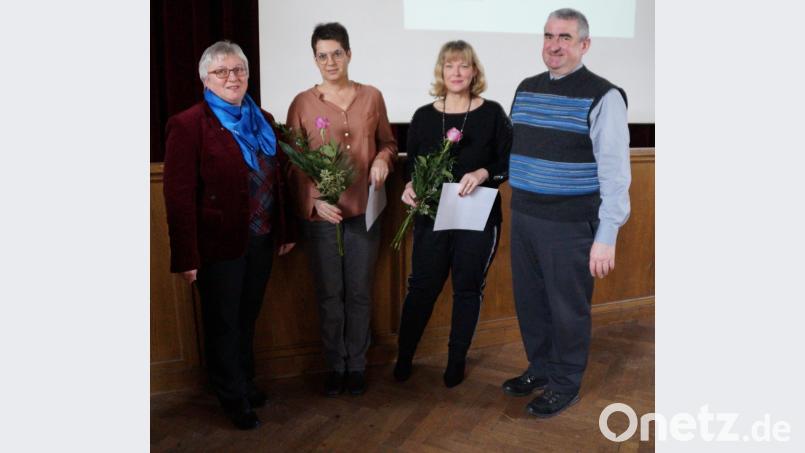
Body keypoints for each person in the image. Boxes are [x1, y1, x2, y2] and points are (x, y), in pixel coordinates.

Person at [502, 8, 631, 418]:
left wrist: (607, 233)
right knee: (531, 304)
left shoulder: (604, 96)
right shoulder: (525, 88)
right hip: (523, 216)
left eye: (565, 38)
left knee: (566, 309)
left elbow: (614, 172)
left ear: (584, 45)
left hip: (570, 223)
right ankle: (540, 369)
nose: (554, 45)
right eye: (548, 36)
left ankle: (565, 384)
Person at [163, 40, 297, 430]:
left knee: (247, 317)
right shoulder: (188, 124)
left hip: (261, 237)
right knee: (223, 321)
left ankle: (244, 381)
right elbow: (179, 196)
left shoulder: (264, 119)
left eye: (238, 70)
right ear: (205, 79)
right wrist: (187, 256)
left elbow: (278, 181)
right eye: (221, 71)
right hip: (218, 245)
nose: (231, 78)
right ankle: (232, 395)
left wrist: (285, 231)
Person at [286, 22, 398, 397]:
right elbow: (293, 162)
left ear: (349, 54)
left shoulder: (372, 96)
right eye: (322, 55)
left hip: (364, 212)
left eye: (337, 53)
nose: (330, 61)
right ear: (315, 60)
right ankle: (336, 365)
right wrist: (315, 200)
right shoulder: (302, 103)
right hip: (323, 218)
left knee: (361, 293)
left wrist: (384, 160)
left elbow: (387, 143)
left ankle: (358, 364)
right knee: (330, 295)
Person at [394, 40, 512, 388]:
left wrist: (482, 173)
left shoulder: (492, 113)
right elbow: (411, 166)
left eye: (463, 66)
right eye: (449, 66)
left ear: (474, 71)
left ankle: (456, 360)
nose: (456, 73)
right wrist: (408, 186)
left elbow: (507, 161)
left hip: (477, 215)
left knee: (467, 288)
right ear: (440, 71)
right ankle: (404, 356)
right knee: (422, 287)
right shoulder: (423, 116)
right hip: (432, 215)